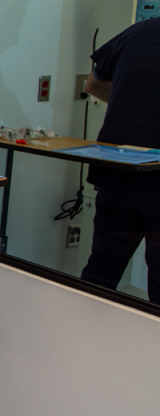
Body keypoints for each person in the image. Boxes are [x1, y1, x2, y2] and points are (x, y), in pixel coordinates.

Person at [80, 16, 160, 303]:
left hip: (118, 171)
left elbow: (92, 84)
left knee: (101, 272)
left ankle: (78, 337)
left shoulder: (139, 31)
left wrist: (131, 106)